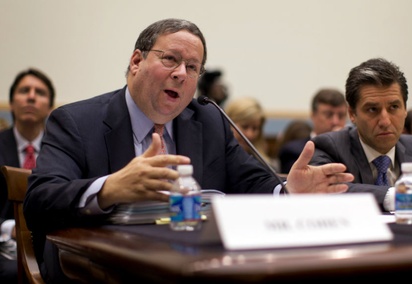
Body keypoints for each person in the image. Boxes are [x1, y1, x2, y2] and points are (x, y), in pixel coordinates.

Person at [22, 18, 354, 283]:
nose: (181, 74)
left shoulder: (208, 120)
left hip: (192, 266)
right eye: (170, 59)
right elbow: (40, 200)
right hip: (98, 270)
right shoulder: (77, 122)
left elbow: (249, 180)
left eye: (192, 67)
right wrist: (110, 189)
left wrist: (287, 193)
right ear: (136, 60)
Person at [310, 57, 412, 212]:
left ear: (405, 109)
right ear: (352, 113)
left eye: (394, 107)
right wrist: (411, 196)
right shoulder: (329, 146)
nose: (385, 121)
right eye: (372, 109)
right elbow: (328, 190)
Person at [0, 68, 55, 283]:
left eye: (40, 92)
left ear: (50, 107)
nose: (31, 96)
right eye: (24, 90)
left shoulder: (62, 150)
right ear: (12, 103)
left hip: (50, 242)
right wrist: (10, 228)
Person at [278, 88, 348, 173]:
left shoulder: (353, 150)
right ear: (313, 115)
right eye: (328, 114)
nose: (335, 121)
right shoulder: (293, 151)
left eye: (341, 115)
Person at [224, 96, 279, 172]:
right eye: (244, 126)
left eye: (255, 128)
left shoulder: (267, 166)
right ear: (228, 123)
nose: (250, 135)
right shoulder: (217, 161)